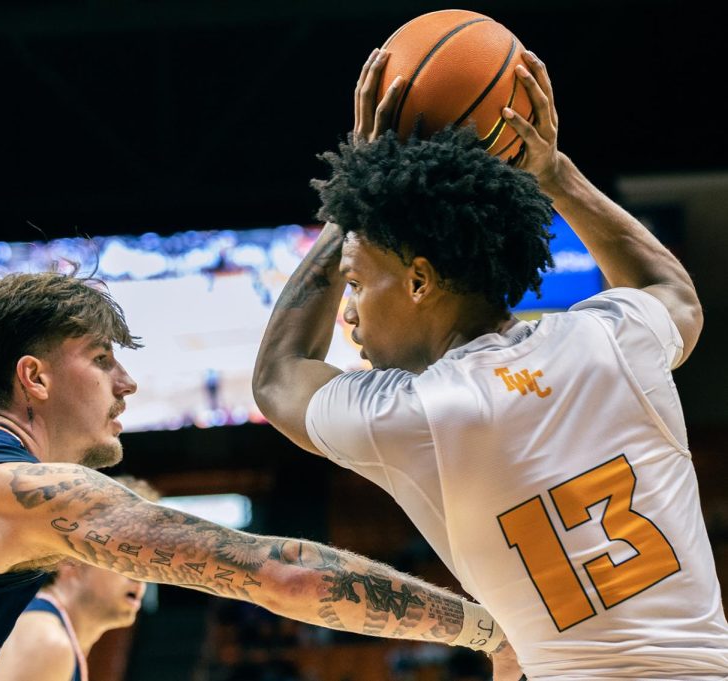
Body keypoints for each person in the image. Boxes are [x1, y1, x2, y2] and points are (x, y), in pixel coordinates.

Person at [252, 46, 728, 679]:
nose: (350, 314)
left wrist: (351, 201)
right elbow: (674, 294)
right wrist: (557, 173)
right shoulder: (609, 340)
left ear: (420, 281)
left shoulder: (412, 413)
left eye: (357, 285)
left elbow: (280, 372)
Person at [0, 268, 517, 681]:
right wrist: (490, 630)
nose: (125, 383)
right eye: (100, 358)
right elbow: (280, 572)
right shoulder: (15, 490)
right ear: (33, 377)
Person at [0, 475, 159, 681]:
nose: (140, 576)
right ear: (72, 558)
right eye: (127, 559)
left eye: (146, 564)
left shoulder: (53, 634)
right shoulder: (47, 641)